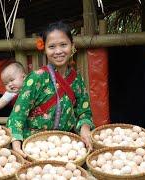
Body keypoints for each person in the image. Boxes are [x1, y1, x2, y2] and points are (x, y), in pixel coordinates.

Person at [7, 22, 95, 157]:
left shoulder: (77, 80)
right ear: (44, 49)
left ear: (72, 46)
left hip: (66, 146)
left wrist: (84, 129)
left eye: (63, 45)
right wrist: (17, 147)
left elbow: (84, 112)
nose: (58, 51)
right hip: (34, 146)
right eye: (52, 46)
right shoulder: (36, 79)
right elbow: (18, 115)